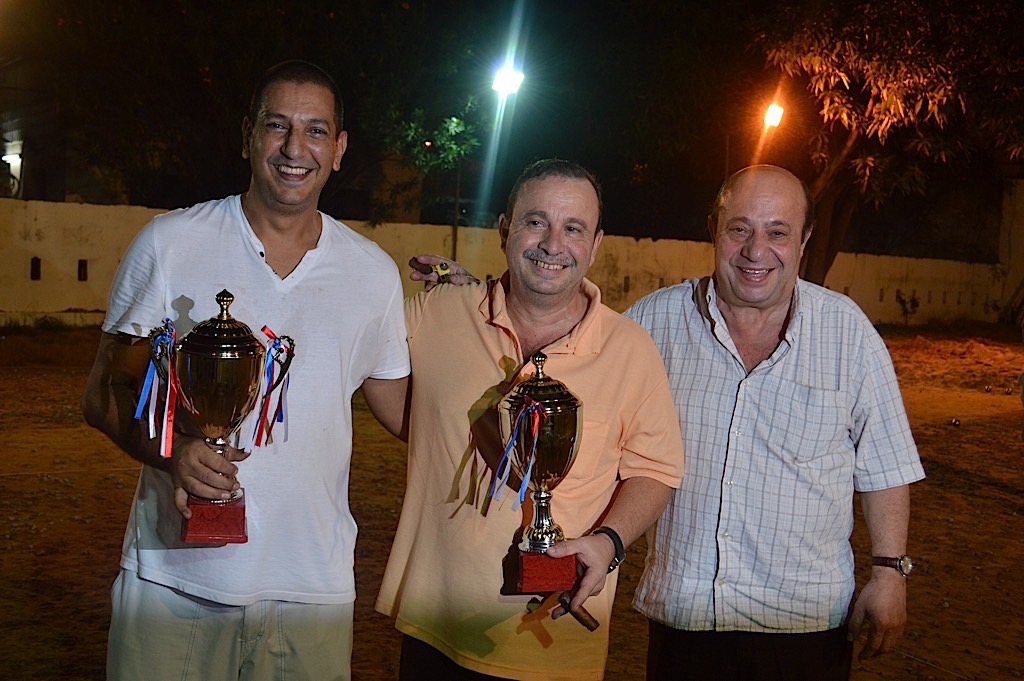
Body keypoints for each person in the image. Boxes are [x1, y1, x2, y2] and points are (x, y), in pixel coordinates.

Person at [81, 60, 410, 681]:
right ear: (247, 136)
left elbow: (404, 410)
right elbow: (104, 393)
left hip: (310, 590)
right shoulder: (169, 243)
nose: (295, 148)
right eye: (276, 125)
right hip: (176, 582)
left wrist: (491, 348)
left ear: (339, 149)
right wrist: (174, 452)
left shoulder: (372, 273)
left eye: (316, 130)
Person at [374, 159, 685, 680]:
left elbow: (656, 468)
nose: (552, 243)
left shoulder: (631, 349)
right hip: (437, 626)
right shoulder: (435, 314)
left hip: (553, 639)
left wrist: (608, 542)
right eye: (536, 222)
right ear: (505, 230)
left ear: (596, 245)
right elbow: (380, 382)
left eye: (574, 228)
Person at [624, 165, 926, 680]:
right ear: (714, 230)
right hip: (685, 622)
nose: (755, 250)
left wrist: (889, 572)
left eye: (777, 232)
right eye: (739, 229)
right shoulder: (652, 324)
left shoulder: (847, 333)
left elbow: (886, 466)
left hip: (806, 632)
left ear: (804, 240)